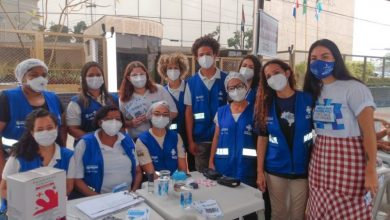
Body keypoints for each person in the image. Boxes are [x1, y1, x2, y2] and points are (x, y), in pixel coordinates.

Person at [303, 39, 377, 219]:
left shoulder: (354, 88)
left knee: (348, 209)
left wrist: (371, 171)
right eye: (313, 58)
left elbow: (369, 132)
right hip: (320, 159)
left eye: (325, 56)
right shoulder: (314, 90)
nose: (318, 61)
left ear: (336, 59)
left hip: (349, 159)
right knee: (319, 206)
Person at [254, 59, 313, 220]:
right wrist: (260, 172)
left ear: (287, 73)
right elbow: (262, 139)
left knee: (297, 214)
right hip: (275, 170)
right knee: (278, 213)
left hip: (302, 169)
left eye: (276, 73)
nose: (273, 78)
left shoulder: (307, 99)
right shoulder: (265, 105)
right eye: (268, 76)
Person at [0, 58, 65, 181]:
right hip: (15, 161)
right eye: (33, 75)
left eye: (43, 75)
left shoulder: (53, 98)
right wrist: (2, 167)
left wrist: (63, 155)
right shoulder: (8, 98)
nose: (40, 79)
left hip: (50, 160)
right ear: (22, 78)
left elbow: (62, 129)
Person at [0, 108, 75, 205]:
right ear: (32, 133)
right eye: (40, 130)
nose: (45, 132)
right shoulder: (18, 157)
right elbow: (3, 189)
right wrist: (30, 202)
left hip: (53, 209)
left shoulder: (69, 157)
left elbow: (68, 188)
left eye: (49, 128)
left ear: (56, 128)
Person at [74, 105, 142, 196]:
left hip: (128, 197)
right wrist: (98, 199)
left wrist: (133, 192)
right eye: (108, 119)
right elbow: (77, 179)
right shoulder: (85, 144)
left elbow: (138, 172)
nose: (114, 122)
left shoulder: (127, 141)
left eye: (118, 119)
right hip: (97, 198)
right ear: (100, 122)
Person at [185, 36, 228, 172]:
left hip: (223, 139)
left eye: (208, 54)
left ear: (215, 55)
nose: (205, 57)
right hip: (200, 141)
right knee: (203, 179)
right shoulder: (191, 83)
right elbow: (189, 113)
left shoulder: (227, 80)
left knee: (222, 174)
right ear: (196, 58)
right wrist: (191, 141)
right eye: (201, 55)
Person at [209, 72, 257, 186]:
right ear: (228, 91)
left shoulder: (255, 111)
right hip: (223, 166)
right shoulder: (221, 112)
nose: (236, 90)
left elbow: (261, 140)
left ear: (246, 87)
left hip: (247, 167)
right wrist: (211, 160)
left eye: (239, 86)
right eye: (232, 88)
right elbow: (216, 137)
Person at [119, 61, 177, 139]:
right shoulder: (124, 98)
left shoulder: (159, 89)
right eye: (134, 75)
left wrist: (158, 116)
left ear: (146, 75)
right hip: (137, 138)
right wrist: (131, 123)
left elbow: (174, 112)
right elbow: (121, 122)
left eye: (142, 74)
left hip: (160, 136)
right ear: (129, 78)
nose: (139, 78)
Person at [157, 53, 195, 171]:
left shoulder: (189, 86)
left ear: (181, 69)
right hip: (170, 136)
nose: (173, 71)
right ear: (164, 70)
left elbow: (190, 113)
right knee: (173, 167)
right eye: (169, 68)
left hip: (190, 133)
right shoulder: (161, 91)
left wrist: (190, 140)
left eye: (176, 68)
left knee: (193, 167)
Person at [66, 61, 118, 145]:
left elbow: (121, 124)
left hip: (112, 145)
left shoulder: (113, 99)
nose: (95, 78)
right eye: (90, 75)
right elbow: (72, 129)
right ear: (83, 79)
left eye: (98, 75)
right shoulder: (76, 103)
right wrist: (95, 139)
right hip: (88, 147)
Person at [136, 101, 187, 175]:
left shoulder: (176, 137)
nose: (161, 117)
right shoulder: (142, 140)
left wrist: (179, 181)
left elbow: (183, 168)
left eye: (165, 114)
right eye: (157, 114)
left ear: (169, 118)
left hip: (176, 181)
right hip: (154, 183)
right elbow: (151, 173)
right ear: (150, 116)